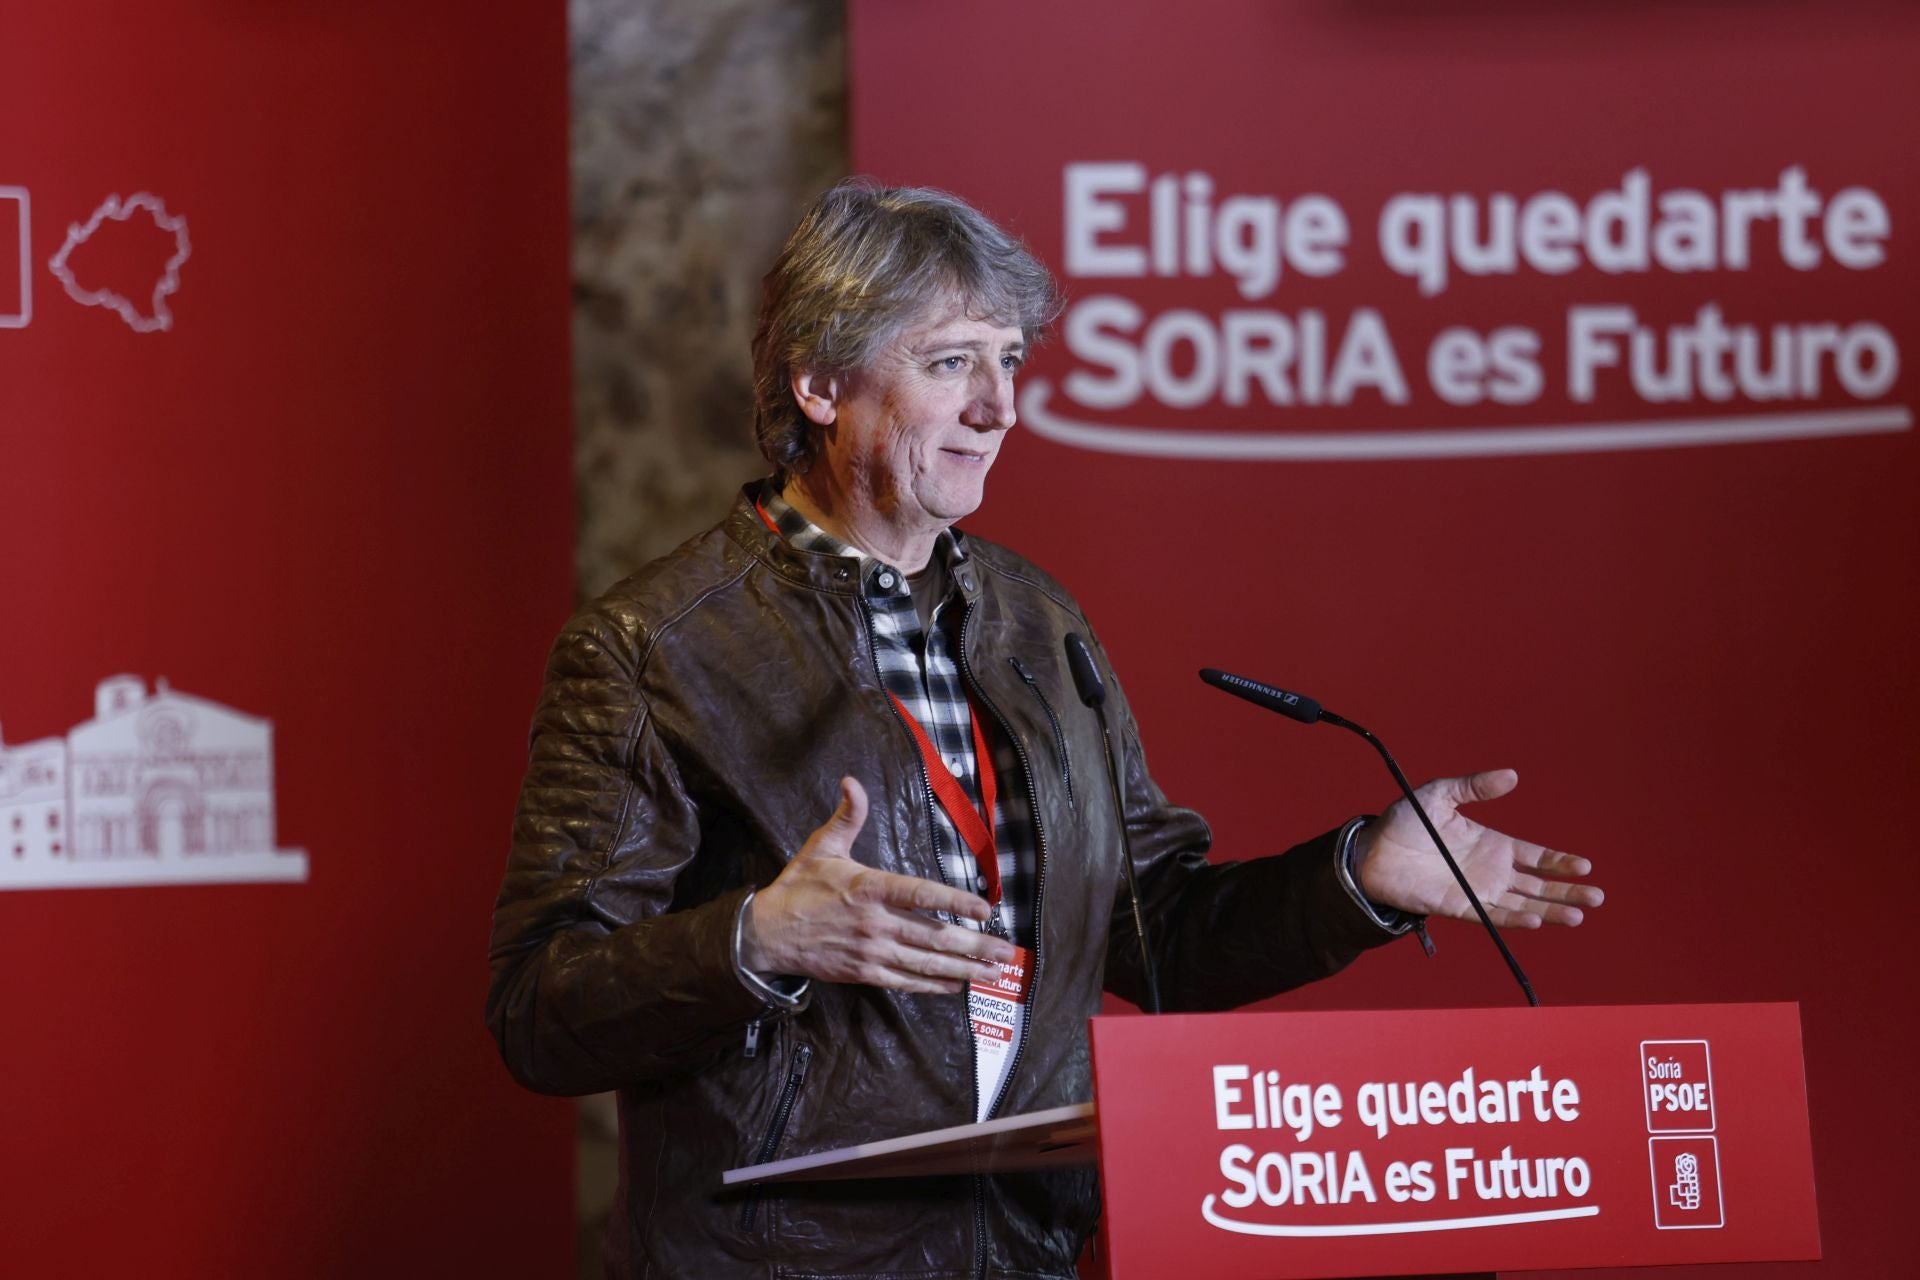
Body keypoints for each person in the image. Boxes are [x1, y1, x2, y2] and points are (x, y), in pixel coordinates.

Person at [486, 180, 1601, 1279]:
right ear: (821, 384)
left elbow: (1155, 934)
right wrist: (756, 940)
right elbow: (541, 1007)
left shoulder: (1036, 620)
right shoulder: (654, 646)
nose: (1000, 405)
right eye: (950, 362)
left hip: (1024, 1247)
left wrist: (1360, 874)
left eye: (1009, 359)